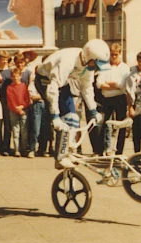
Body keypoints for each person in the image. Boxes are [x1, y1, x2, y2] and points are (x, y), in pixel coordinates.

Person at [35, 38, 109, 168]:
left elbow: (86, 88)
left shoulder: (87, 65)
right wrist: (55, 116)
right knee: (65, 121)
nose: (96, 69)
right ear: (89, 57)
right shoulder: (68, 60)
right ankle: (60, 158)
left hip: (62, 83)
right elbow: (53, 89)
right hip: (46, 81)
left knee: (74, 119)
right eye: (96, 65)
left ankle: (68, 152)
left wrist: (93, 111)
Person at [96, 43, 130, 156]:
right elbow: (99, 83)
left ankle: (119, 151)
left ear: (120, 54)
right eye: (112, 55)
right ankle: (104, 149)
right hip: (107, 98)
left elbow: (122, 85)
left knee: (121, 125)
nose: (114, 57)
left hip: (120, 98)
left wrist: (109, 84)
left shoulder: (125, 67)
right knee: (104, 124)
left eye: (116, 54)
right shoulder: (104, 66)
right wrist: (113, 84)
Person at [126, 51, 141, 152]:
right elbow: (128, 91)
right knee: (136, 132)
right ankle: (137, 153)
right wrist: (130, 107)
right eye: (140, 61)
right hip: (136, 103)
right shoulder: (131, 74)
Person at [6, 67, 30, 157]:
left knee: (24, 130)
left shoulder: (24, 86)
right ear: (11, 77)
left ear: (20, 76)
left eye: (17, 76)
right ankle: (17, 149)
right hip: (13, 110)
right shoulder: (9, 88)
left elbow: (27, 98)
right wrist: (17, 109)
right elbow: (10, 100)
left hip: (23, 109)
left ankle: (23, 149)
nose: (16, 78)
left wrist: (22, 107)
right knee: (16, 130)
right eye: (14, 77)